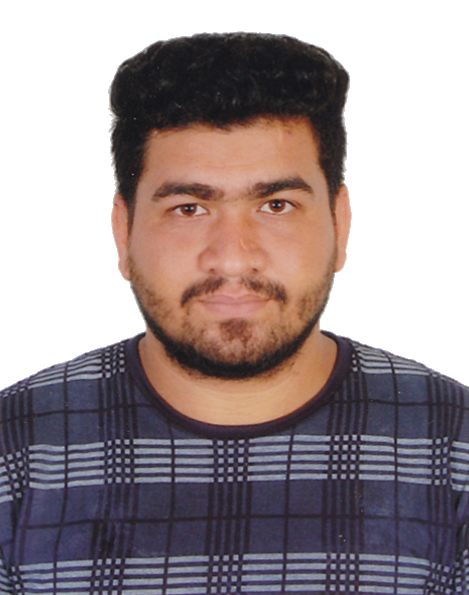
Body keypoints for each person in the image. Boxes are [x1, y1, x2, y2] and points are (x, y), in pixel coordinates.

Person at [0, 32, 468, 595]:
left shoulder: (456, 448)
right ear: (123, 233)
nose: (232, 256)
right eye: (188, 208)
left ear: (339, 225)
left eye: (276, 205)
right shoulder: (15, 452)